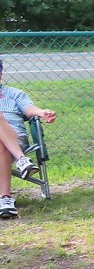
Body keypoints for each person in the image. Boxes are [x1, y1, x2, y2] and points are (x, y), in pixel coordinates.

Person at [1, 57, 57, 219]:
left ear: (1, 73)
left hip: (14, 136)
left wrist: (41, 112)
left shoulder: (12, 93)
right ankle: (22, 161)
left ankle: (5, 199)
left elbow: (28, 108)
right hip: (15, 149)